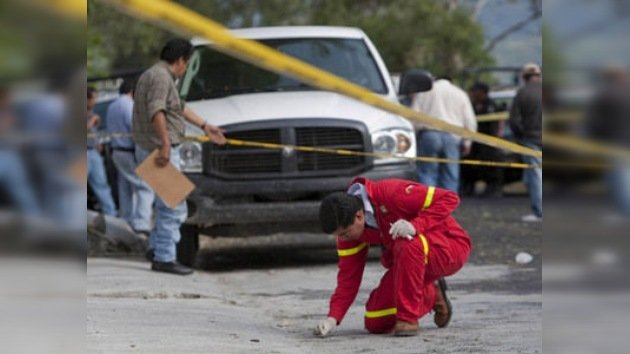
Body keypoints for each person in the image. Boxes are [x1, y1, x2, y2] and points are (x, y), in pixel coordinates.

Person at [314, 177, 471, 337]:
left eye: (344, 234)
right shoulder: (348, 231)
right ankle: (432, 293)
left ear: (359, 216)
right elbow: (348, 278)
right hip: (409, 264)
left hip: (449, 246)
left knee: (405, 243)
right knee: (375, 320)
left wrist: (415, 226)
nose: (342, 239)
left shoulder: (391, 193)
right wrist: (333, 318)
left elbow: (450, 198)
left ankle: (408, 320)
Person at [133, 38, 226, 275]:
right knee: (174, 206)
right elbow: (157, 110)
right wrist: (165, 144)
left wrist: (205, 126)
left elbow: (178, 107)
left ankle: (156, 248)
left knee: (165, 203)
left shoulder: (157, 75)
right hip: (158, 150)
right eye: (187, 63)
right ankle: (164, 257)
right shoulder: (161, 77)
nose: (186, 68)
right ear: (182, 61)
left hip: (151, 147)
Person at [105, 79, 154, 234]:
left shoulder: (112, 106)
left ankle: (126, 221)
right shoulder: (130, 106)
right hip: (128, 152)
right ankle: (141, 223)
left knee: (125, 187)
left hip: (116, 151)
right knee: (145, 187)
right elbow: (136, 131)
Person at [412, 76, 477, 192]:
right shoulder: (460, 94)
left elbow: (413, 117)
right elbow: (470, 120)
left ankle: (428, 205)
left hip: (428, 135)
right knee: (450, 174)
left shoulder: (424, 92)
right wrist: (468, 142)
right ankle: (447, 205)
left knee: (427, 173)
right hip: (452, 137)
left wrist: (415, 136)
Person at [509, 63, 542, 222]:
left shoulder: (522, 93)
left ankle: (539, 212)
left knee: (535, 176)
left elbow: (514, 120)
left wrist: (521, 136)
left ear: (524, 77)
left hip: (531, 140)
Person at [461, 82, 505, 197]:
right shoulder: (470, 105)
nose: (473, 94)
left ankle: (493, 189)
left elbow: (499, 122)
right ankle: (468, 187)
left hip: (489, 142)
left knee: (491, 167)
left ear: (483, 93)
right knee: (468, 166)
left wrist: (498, 136)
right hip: (474, 141)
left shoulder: (491, 105)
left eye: (475, 92)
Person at [87, 87, 117, 216]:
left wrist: (97, 144)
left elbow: (92, 134)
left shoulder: (90, 112)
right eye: (93, 98)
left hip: (93, 152)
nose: (95, 101)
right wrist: (91, 122)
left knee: (102, 185)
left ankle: (110, 214)